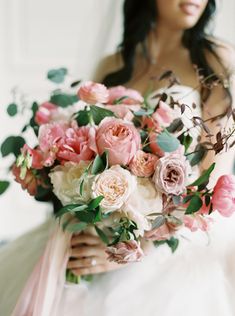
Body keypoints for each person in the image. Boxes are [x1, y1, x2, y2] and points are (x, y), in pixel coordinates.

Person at [1, 1, 235, 315]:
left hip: (182, 229)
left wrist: (134, 248)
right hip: (110, 220)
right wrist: (91, 217)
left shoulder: (216, 59)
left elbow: (213, 178)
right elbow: (90, 150)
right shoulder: (111, 66)